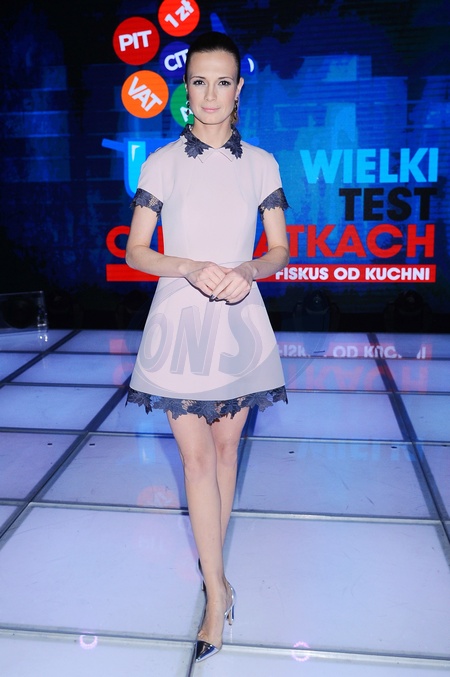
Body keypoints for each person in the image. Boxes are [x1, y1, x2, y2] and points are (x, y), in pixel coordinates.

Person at [125, 31, 289, 663]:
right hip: (179, 323)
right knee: (196, 461)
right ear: (186, 89)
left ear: (239, 89)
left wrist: (246, 270)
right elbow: (137, 251)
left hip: (239, 321)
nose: (211, 94)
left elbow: (279, 250)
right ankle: (217, 593)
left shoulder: (262, 163)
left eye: (223, 82)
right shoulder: (162, 162)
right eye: (200, 82)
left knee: (225, 453)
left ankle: (212, 574)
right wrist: (191, 266)